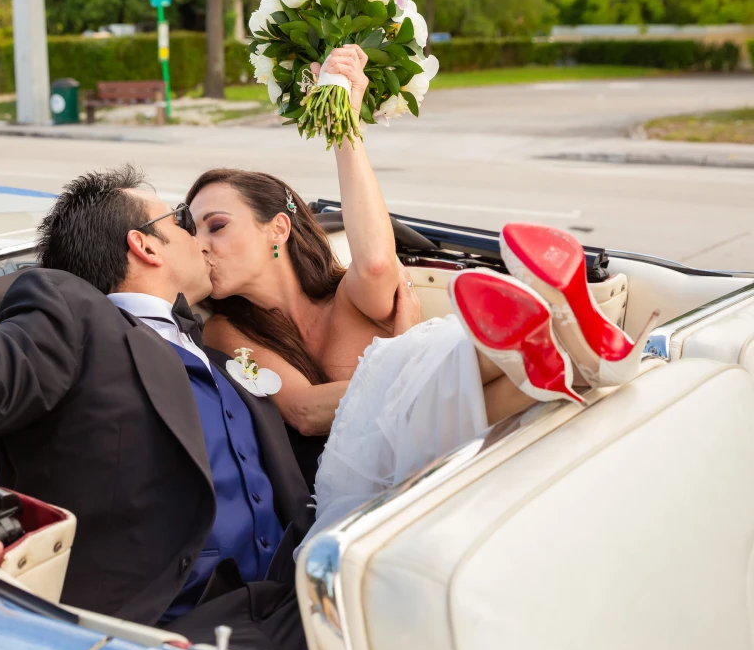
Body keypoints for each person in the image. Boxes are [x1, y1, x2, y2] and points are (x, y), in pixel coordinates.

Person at [186, 45, 653, 538]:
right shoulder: (223, 329)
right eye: (192, 232)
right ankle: (560, 323)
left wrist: (344, 123)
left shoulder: (347, 296)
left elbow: (379, 261)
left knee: (525, 381)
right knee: (433, 365)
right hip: (352, 497)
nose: (201, 245)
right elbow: (304, 412)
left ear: (277, 229)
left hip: (445, 455)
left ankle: (577, 354)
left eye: (215, 225)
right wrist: (405, 350)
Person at [0, 167, 313, 650]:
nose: (199, 238)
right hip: (170, 627)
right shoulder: (74, 320)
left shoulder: (222, 349)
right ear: (146, 245)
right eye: (183, 220)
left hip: (304, 590)